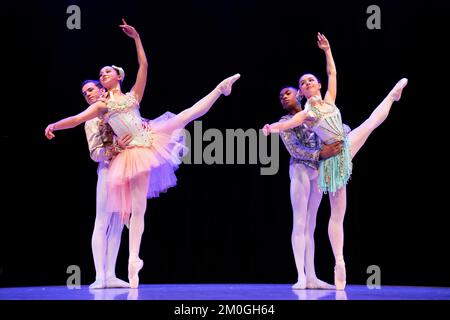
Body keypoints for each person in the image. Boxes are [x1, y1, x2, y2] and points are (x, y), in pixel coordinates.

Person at [45, 20, 241, 288]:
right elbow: (78, 118)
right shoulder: (101, 106)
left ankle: (221, 88)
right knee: (136, 210)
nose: (102, 75)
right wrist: (54, 125)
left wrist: (136, 38)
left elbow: (144, 66)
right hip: (129, 155)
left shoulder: (133, 95)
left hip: (150, 140)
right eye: (100, 74)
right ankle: (132, 261)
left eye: (106, 72)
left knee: (185, 116)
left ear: (117, 76)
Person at [264, 33, 408, 290]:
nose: (307, 83)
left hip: (342, 149)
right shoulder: (307, 113)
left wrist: (328, 50)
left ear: (316, 85)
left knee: (370, 123)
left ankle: (392, 96)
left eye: (310, 80)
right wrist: (270, 128)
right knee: (335, 216)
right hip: (328, 164)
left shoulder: (329, 99)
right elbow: (291, 124)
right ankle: (338, 262)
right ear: (302, 92)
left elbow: (333, 74)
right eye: (303, 82)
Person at [278, 86, 348, 290]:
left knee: (311, 225)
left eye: (287, 93)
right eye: (281, 96)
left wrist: (338, 138)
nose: (283, 97)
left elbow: (333, 128)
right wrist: (321, 153)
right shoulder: (285, 122)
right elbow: (295, 149)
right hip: (300, 169)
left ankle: (312, 276)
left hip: (317, 171)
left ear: (299, 95)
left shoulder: (314, 113)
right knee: (299, 222)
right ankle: (301, 275)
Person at [82, 80, 132, 289]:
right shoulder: (91, 120)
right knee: (102, 221)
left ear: (102, 90)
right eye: (85, 93)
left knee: (118, 224)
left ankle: (111, 274)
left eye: (91, 89)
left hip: (126, 169)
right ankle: (100, 276)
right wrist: (115, 148)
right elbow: (95, 153)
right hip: (107, 168)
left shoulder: (117, 109)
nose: (88, 94)